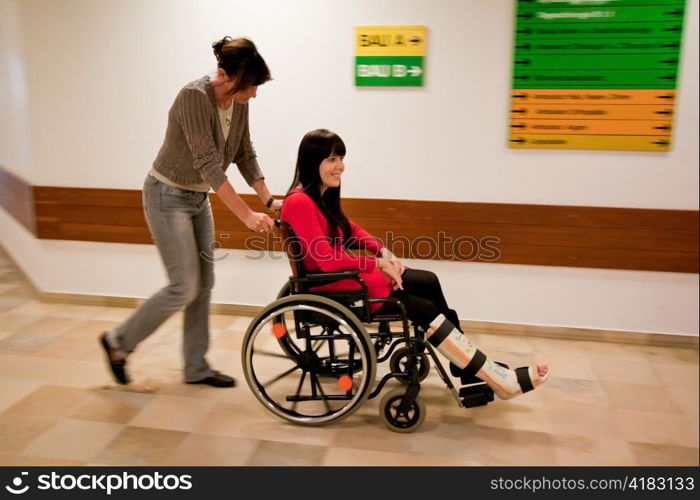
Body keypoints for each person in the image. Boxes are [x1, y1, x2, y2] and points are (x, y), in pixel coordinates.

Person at [279, 129, 549, 400]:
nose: (341, 166)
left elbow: (351, 230)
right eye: (332, 159)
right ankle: (497, 379)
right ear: (313, 161)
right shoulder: (300, 202)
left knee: (427, 280)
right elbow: (325, 259)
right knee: (425, 309)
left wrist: (383, 251)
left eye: (341, 158)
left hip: (350, 279)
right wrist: (377, 264)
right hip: (334, 287)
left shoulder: (320, 197)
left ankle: (466, 367)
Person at [99, 37, 282, 388]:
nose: (254, 95)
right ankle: (118, 341)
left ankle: (196, 367)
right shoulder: (194, 97)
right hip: (167, 195)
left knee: (204, 286)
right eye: (251, 87)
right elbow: (209, 164)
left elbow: (244, 151)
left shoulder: (237, 101)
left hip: (197, 200)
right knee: (183, 285)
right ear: (230, 77)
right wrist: (245, 215)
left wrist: (268, 200)